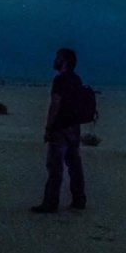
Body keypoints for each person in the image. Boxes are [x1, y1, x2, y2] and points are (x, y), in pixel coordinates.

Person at [30, 47, 87, 213]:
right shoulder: (77, 79)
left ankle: (50, 202)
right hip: (74, 128)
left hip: (60, 128)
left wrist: (48, 128)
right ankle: (79, 199)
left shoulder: (59, 80)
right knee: (74, 165)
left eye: (58, 58)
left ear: (65, 61)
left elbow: (55, 104)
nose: (55, 60)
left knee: (55, 167)